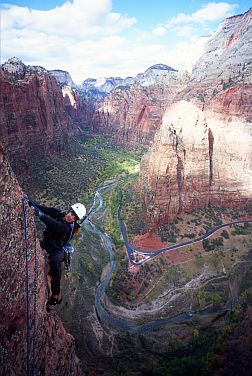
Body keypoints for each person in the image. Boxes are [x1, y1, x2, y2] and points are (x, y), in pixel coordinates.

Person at [28, 198, 86, 311]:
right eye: (72, 213)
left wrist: (40, 215)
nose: (71, 217)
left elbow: (54, 224)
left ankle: (55, 294)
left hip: (58, 249)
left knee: (55, 262)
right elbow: (43, 208)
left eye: (75, 217)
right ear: (69, 210)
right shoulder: (58, 213)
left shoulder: (66, 227)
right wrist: (28, 199)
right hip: (48, 243)